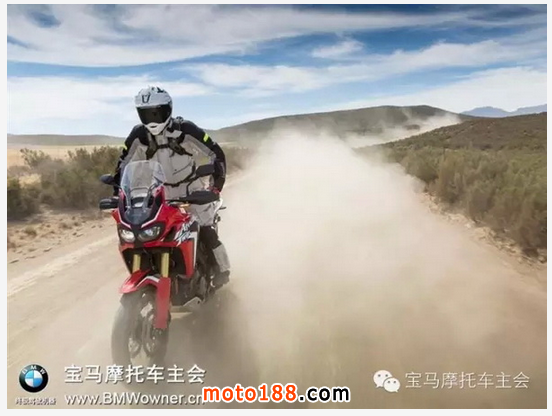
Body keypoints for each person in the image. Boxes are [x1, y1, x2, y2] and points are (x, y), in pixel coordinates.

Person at [113, 86, 230, 288]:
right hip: (161, 193)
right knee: (149, 235)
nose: (152, 119)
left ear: (167, 110)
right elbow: (123, 164)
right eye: (146, 114)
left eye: (156, 113)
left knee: (205, 229)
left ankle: (222, 270)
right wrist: (118, 194)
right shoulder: (138, 135)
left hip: (192, 190)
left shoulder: (185, 129)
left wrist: (215, 187)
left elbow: (215, 153)